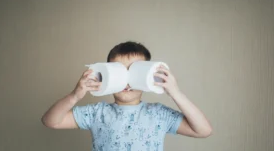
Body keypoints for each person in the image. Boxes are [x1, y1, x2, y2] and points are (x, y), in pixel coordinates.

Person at [41, 41, 212, 151]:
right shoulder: (96, 112)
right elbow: (51, 121)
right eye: (120, 73)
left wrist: (175, 93)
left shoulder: (159, 114)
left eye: (134, 72)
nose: (127, 82)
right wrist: (75, 96)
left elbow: (203, 130)